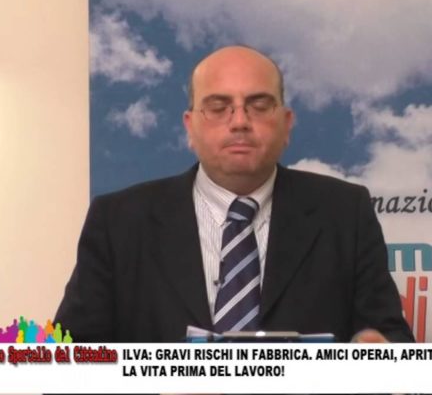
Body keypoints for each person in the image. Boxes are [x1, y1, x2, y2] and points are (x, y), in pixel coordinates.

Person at [55, 45, 413, 343]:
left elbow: (391, 339)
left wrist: (378, 354)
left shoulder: (345, 213)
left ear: (286, 124)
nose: (240, 121)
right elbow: (73, 357)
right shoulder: (119, 221)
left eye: (259, 105)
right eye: (218, 106)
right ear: (190, 126)